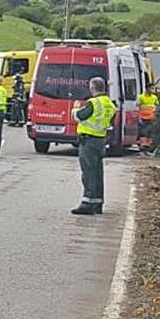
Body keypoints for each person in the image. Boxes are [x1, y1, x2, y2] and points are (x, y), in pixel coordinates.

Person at [71, 77, 116, 215]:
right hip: (100, 140)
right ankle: (98, 202)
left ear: (92, 88)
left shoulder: (93, 103)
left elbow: (79, 116)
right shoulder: (109, 104)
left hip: (88, 141)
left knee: (89, 173)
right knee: (97, 172)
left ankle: (87, 203)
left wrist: (76, 108)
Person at [138, 86, 159, 152]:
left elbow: (157, 105)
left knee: (150, 131)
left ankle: (149, 146)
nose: (152, 90)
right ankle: (143, 146)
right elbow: (138, 105)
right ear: (147, 89)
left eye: (152, 88)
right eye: (151, 88)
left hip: (151, 117)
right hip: (143, 117)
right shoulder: (141, 97)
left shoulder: (154, 97)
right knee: (143, 132)